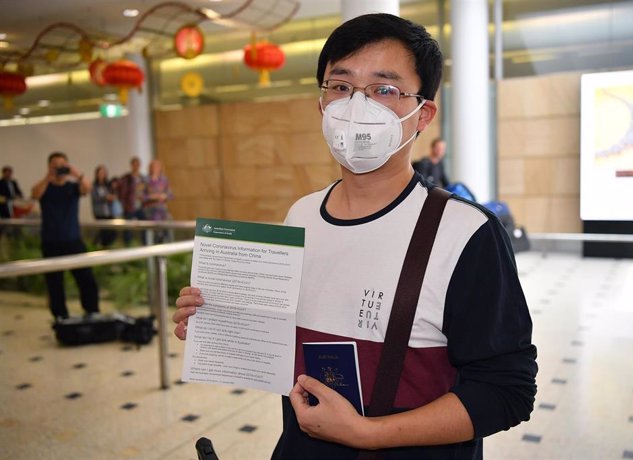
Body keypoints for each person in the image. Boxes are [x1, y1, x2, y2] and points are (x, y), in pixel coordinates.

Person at [173, 13, 537, 459]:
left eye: (384, 89)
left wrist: (367, 434)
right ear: (322, 105)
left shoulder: (465, 232)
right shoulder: (301, 215)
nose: (356, 106)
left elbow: (507, 391)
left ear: (423, 114)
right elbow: (287, 343)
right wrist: (220, 320)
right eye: (340, 87)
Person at [31, 152, 100, 321]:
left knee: (86, 278)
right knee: (54, 283)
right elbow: (34, 194)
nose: (59, 168)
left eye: (63, 164)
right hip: (51, 242)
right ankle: (60, 317)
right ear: (49, 167)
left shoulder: (72, 187)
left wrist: (76, 173)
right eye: (56, 165)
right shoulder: (45, 187)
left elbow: (88, 188)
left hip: (73, 240)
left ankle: (92, 311)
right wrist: (48, 177)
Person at [143, 159, 173, 243]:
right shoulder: (146, 180)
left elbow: (170, 194)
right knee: (156, 223)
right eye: (154, 167)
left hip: (162, 208)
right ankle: (157, 244)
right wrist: (152, 197)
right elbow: (140, 195)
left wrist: (165, 196)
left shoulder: (164, 179)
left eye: (157, 167)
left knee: (169, 222)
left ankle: (167, 244)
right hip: (150, 208)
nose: (156, 168)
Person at [118, 156, 146, 245]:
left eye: (138, 164)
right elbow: (122, 192)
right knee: (128, 229)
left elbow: (145, 191)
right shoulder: (127, 178)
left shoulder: (142, 178)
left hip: (140, 206)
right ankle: (128, 246)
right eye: (134, 164)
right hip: (129, 207)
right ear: (131, 165)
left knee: (144, 226)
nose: (136, 166)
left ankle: (145, 244)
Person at [91, 165, 118, 247]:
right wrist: (105, 198)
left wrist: (112, 196)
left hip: (109, 211)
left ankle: (105, 246)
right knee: (103, 231)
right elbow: (95, 198)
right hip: (100, 212)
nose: (102, 174)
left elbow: (114, 194)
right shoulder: (94, 186)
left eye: (104, 172)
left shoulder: (108, 185)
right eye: (101, 172)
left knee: (113, 232)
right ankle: (97, 245)